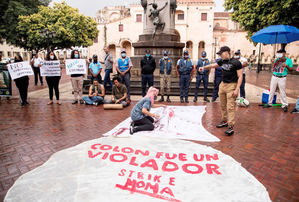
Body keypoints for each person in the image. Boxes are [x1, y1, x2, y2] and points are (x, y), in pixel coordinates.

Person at [199, 46, 243, 136]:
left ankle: (230, 126)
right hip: (223, 85)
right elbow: (213, 65)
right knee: (222, 105)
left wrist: (237, 89)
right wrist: (203, 68)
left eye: (221, 54)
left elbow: (240, 76)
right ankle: (225, 120)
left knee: (230, 106)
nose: (220, 56)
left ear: (227, 52)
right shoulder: (222, 61)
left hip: (232, 85)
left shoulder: (236, 62)